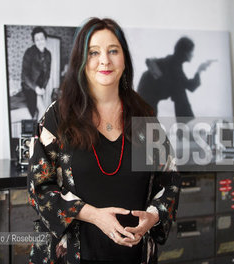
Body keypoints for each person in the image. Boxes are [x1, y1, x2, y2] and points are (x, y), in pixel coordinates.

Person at [27, 18, 181, 264]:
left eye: (113, 51)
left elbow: (169, 179)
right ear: (80, 61)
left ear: (124, 58)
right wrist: (94, 216)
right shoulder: (59, 116)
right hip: (73, 256)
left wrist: (152, 217)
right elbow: (39, 187)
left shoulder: (144, 115)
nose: (105, 61)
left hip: (133, 255)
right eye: (93, 52)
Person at [137, 36, 215, 117]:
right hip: (147, 94)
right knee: (179, 90)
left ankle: (185, 121)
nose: (192, 55)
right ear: (185, 53)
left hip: (148, 93)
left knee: (179, 88)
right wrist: (199, 70)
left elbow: (150, 62)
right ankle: (186, 121)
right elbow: (190, 86)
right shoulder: (174, 65)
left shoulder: (173, 62)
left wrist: (199, 70)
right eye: (191, 52)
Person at [21, 26, 52, 119]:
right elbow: (25, 75)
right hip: (29, 86)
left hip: (40, 86)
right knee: (39, 111)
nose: (40, 41)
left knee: (42, 111)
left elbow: (47, 74)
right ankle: (37, 132)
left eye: (42, 38)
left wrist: (43, 87)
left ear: (45, 39)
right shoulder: (29, 52)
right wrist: (36, 88)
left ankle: (37, 130)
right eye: (37, 39)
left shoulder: (48, 54)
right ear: (34, 41)